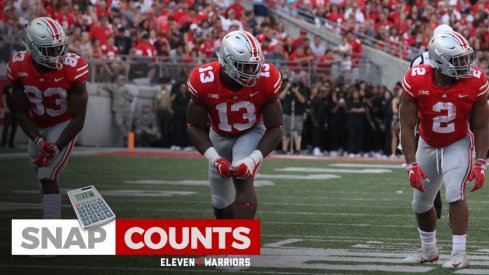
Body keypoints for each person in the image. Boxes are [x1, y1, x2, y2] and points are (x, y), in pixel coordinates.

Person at [400, 31, 488, 268]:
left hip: (458, 142)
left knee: (455, 193)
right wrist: (411, 164)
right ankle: (429, 250)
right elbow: (406, 126)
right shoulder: (416, 79)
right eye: (458, 60)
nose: (466, 65)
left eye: (465, 58)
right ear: (439, 60)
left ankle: (460, 253)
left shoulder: (475, 80)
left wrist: (480, 162)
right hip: (427, 142)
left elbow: (482, 125)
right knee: (420, 204)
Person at [187, 30, 283, 223]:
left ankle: (240, 241)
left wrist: (252, 160)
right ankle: (226, 238)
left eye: (255, 66)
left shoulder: (266, 79)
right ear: (227, 62)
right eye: (245, 67)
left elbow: (276, 127)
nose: (252, 73)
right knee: (220, 202)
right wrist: (215, 159)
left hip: (251, 131)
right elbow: (194, 126)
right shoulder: (203, 81)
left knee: (242, 175)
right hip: (219, 134)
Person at [7, 17, 89, 220]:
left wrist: (55, 146)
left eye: (61, 48)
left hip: (64, 122)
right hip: (37, 124)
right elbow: (20, 111)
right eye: (51, 50)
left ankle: (51, 235)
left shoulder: (73, 67)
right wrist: (38, 140)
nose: (59, 55)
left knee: (47, 174)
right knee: (42, 177)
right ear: (34, 48)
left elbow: (79, 118)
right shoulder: (18, 65)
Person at [408, 24, 454, 220]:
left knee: (442, 168)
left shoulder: (421, 59)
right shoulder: (420, 61)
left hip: (442, 119)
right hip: (433, 120)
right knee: (431, 166)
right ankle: (432, 205)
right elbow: (410, 93)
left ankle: (436, 204)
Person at [97, 75, 133, 146]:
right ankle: (126, 136)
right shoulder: (114, 87)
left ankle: (128, 143)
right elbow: (105, 85)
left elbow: (131, 99)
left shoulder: (126, 89)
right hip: (118, 108)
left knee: (128, 125)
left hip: (127, 109)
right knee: (118, 123)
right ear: (117, 81)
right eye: (121, 80)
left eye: (123, 80)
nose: (122, 82)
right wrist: (100, 89)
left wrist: (129, 98)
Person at [1, 83, 18, 148]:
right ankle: (3, 143)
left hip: (16, 111)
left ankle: (11, 143)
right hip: (8, 111)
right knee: (6, 127)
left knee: (14, 128)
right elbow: (3, 97)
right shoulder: (7, 87)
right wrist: (5, 107)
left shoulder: (19, 88)